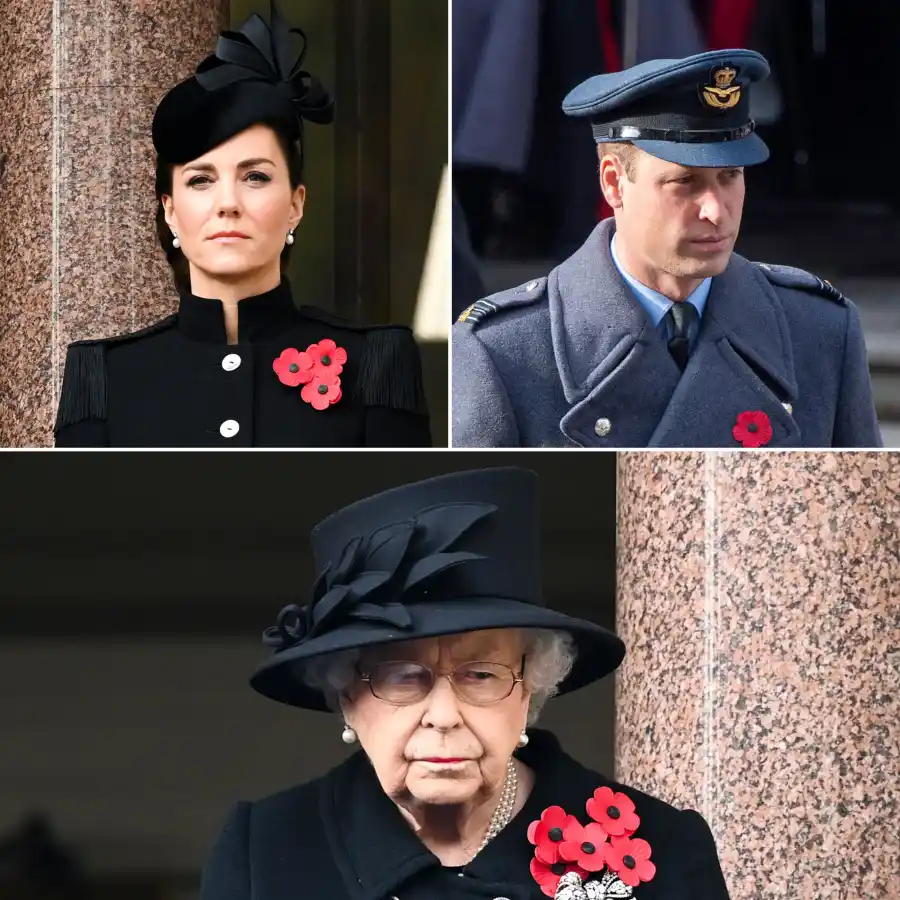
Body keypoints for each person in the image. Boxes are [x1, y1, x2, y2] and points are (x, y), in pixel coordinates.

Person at [201, 467, 731, 899]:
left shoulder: (662, 848)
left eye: (480, 674)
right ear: (347, 697)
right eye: (404, 677)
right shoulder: (264, 852)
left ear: (531, 689)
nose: (445, 715)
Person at [452, 49, 882, 449]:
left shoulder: (820, 330)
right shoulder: (505, 351)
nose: (716, 211)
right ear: (614, 183)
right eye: (685, 182)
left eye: (730, 176)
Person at [54, 4, 430, 448]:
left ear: (296, 204)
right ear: (170, 209)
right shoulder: (105, 374)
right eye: (200, 180)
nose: (228, 203)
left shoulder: (376, 362)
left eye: (255, 177)